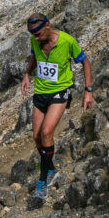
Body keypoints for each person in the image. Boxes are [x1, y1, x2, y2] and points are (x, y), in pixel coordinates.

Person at [19, 14, 93, 199]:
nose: (35, 37)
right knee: (37, 137)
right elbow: (34, 57)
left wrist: (88, 91)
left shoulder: (67, 41)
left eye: (37, 33)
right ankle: (50, 169)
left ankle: (42, 181)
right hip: (41, 92)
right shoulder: (35, 40)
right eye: (32, 34)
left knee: (46, 133)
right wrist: (27, 74)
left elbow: (85, 62)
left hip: (60, 91)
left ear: (48, 26)